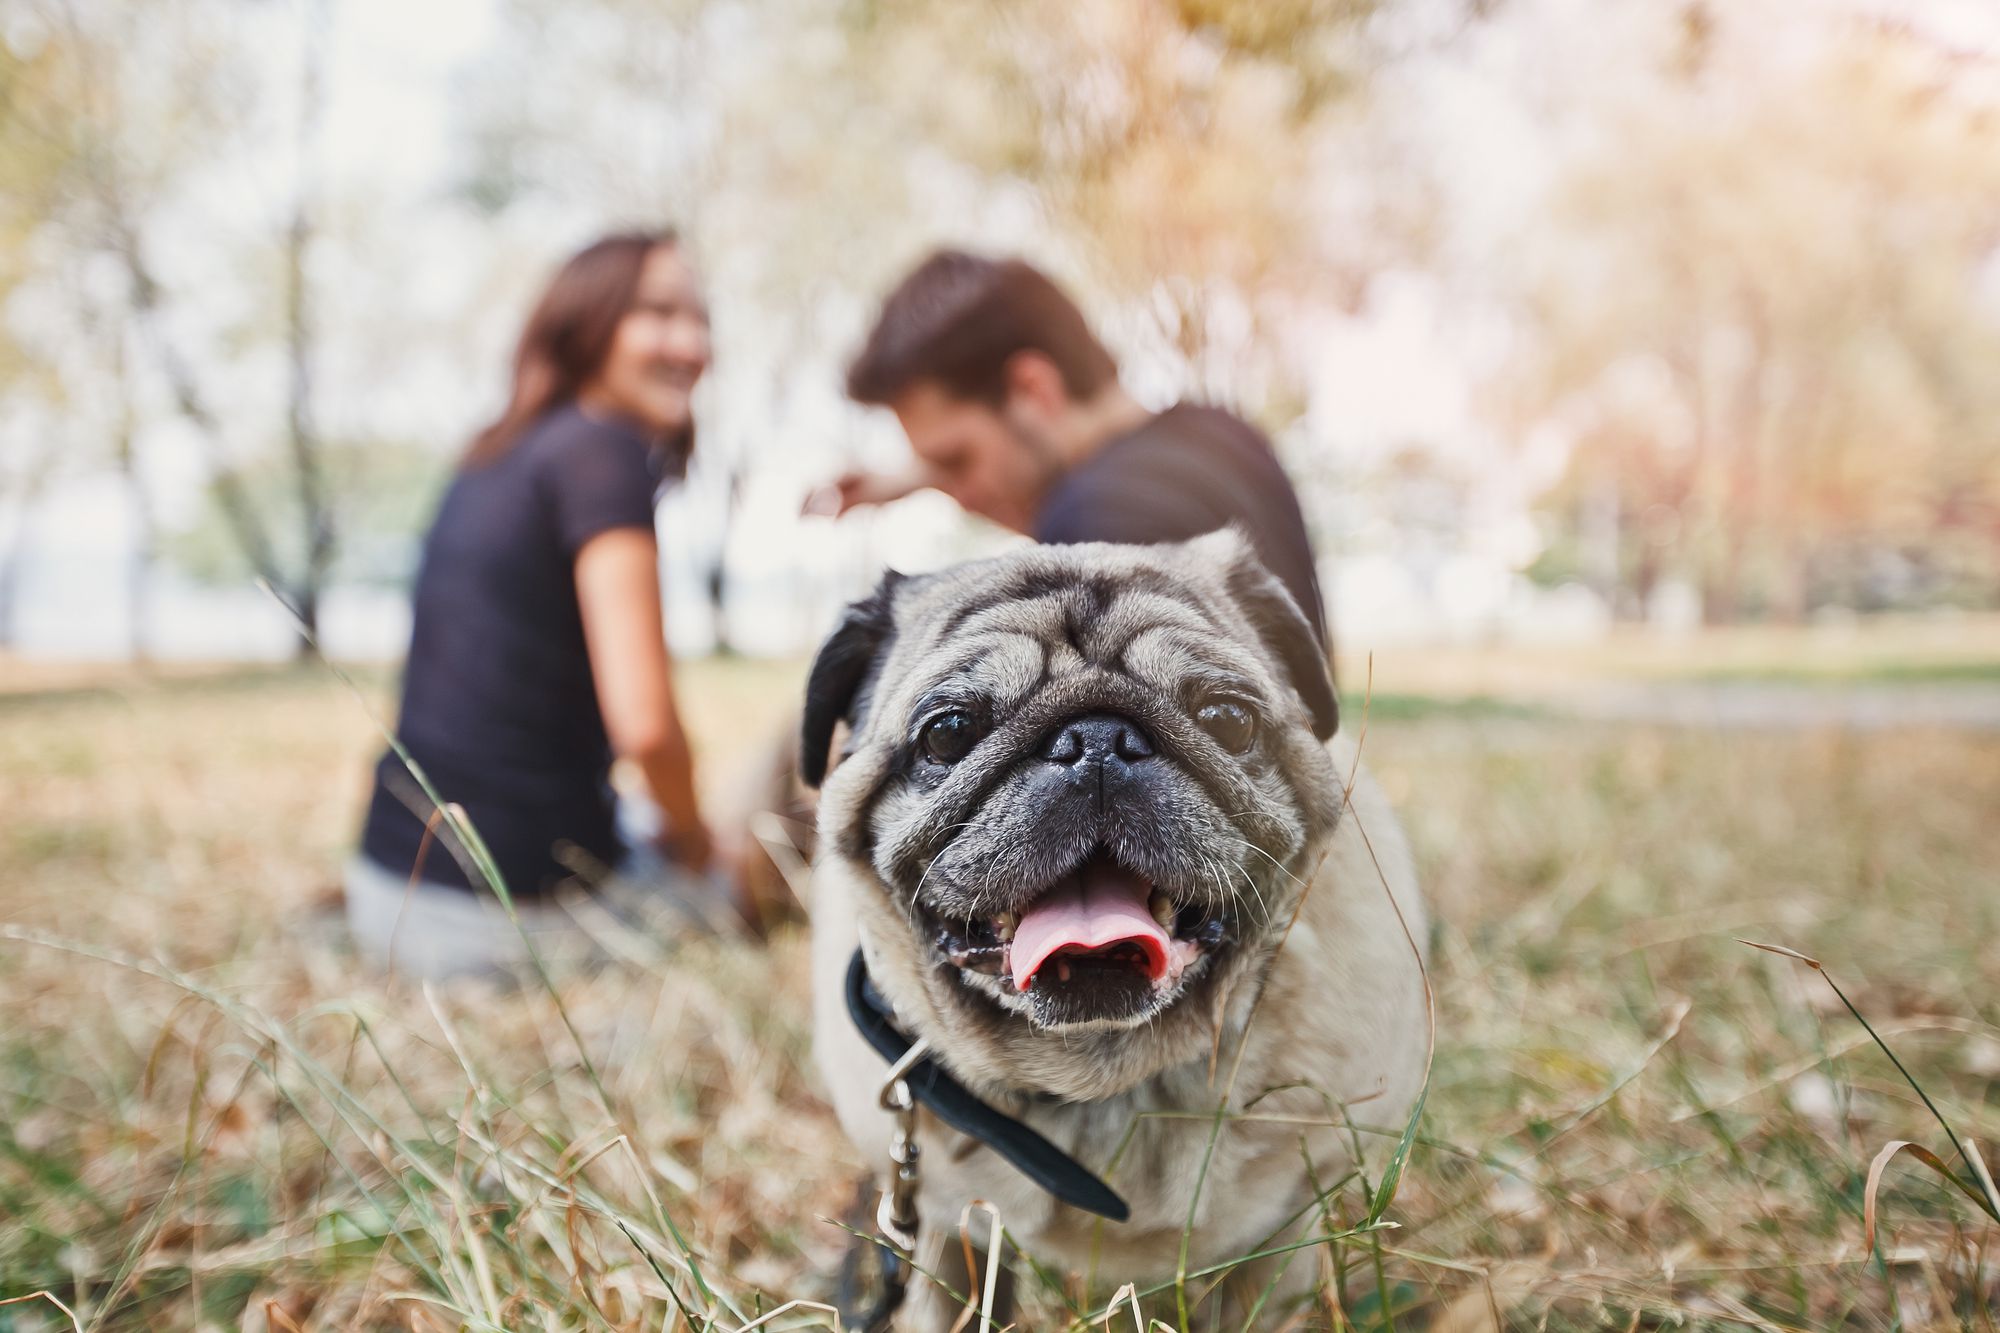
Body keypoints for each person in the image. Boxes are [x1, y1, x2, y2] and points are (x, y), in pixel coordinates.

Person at [347, 230, 736, 979]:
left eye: (700, 318)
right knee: (753, 860)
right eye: (657, 313)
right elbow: (647, 730)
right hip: (502, 921)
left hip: (388, 888)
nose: (690, 343)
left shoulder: (502, 450)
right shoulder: (604, 453)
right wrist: (695, 847)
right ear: (585, 322)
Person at [821, 250, 1330, 650]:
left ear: (1033, 390)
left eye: (957, 460)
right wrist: (927, 472)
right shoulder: (1225, 434)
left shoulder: (1092, 519)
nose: (962, 497)